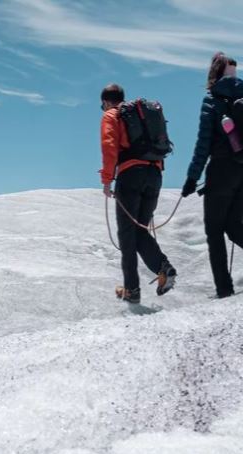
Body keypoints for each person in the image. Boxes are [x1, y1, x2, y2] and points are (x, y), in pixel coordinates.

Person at [182, 53, 243, 299]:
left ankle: (224, 290)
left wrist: (192, 178)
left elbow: (203, 144)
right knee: (233, 225)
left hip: (223, 170)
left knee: (215, 231)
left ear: (212, 74)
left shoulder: (212, 100)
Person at [100, 83, 176, 304]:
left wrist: (106, 180)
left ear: (105, 102)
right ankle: (164, 268)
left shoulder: (112, 115)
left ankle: (132, 290)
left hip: (130, 175)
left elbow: (109, 146)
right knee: (140, 230)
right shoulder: (141, 116)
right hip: (155, 174)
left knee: (127, 236)